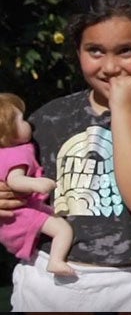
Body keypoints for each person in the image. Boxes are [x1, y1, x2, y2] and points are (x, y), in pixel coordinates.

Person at [10, 0, 131, 311]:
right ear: (77, 50)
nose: (110, 67)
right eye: (95, 51)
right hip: (47, 284)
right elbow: (15, 178)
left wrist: (123, 109)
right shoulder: (49, 117)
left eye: (126, 51)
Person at [0, 93, 74, 276]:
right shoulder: (17, 153)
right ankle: (55, 261)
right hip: (22, 212)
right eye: (22, 120)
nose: (28, 123)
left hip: (21, 210)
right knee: (63, 230)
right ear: (8, 132)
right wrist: (37, 184)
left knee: (56, 216)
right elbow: (14, 180)